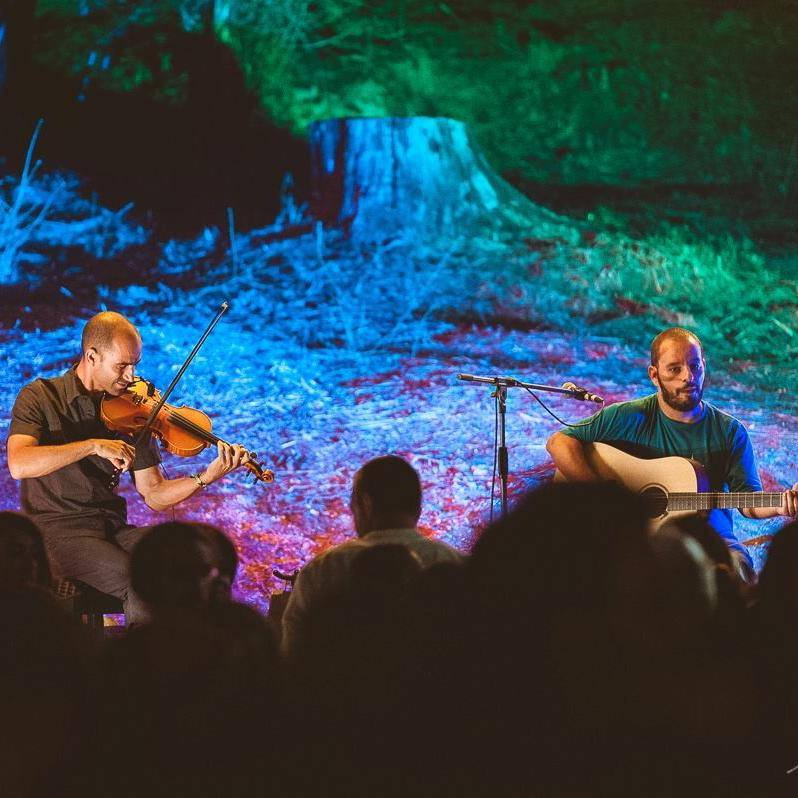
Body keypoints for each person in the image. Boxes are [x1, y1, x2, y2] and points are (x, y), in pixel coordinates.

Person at [5, 311, 251, 620]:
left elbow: (154, 493)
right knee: (141, 582)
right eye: (122, 365)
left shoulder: (134, 410)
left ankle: (196, 652)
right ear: (92, 356)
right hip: (59, 533)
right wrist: (93, 445)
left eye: (135, 364)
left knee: (185, 558)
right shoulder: (41, 397)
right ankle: (142, 663)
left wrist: (206, 476)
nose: (131, 376)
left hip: (113, 528)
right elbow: (19, 463)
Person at [546, 326, 798, 581]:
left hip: (712, 541)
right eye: (674, 369)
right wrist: (606, 501)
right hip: (641, 541)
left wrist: (780, 506)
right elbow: (559, 443)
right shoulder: (629, 416)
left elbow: (748, 502)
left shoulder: (730, 431)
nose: (688, 376)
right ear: (654, 376)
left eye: (695, 366)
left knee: (737, 576)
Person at [280, 454, 462, 656]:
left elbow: (294, 655)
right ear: (418, 508)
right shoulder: (457, 564)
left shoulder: (323, 570)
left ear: (366, 504)